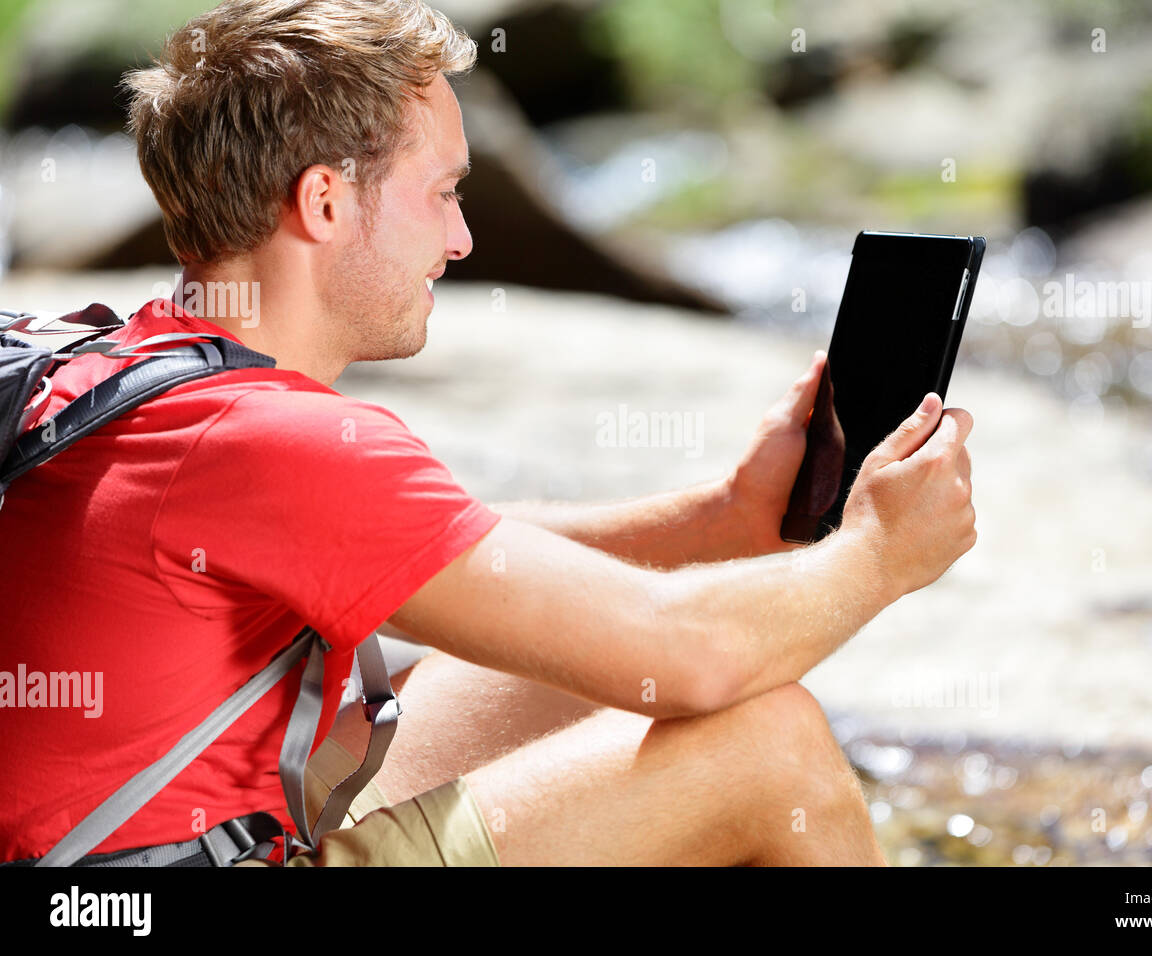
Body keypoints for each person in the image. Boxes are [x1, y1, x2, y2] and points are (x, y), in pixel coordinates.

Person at [0, 0, 975, 867]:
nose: (462, 238)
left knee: (533, 660)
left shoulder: (125, 367)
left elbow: (462, 551)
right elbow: (695, 656)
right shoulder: (274, 441)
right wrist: (881, 553)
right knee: (772, 743)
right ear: (326, 200)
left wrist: (722, 517)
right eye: (443, 192)